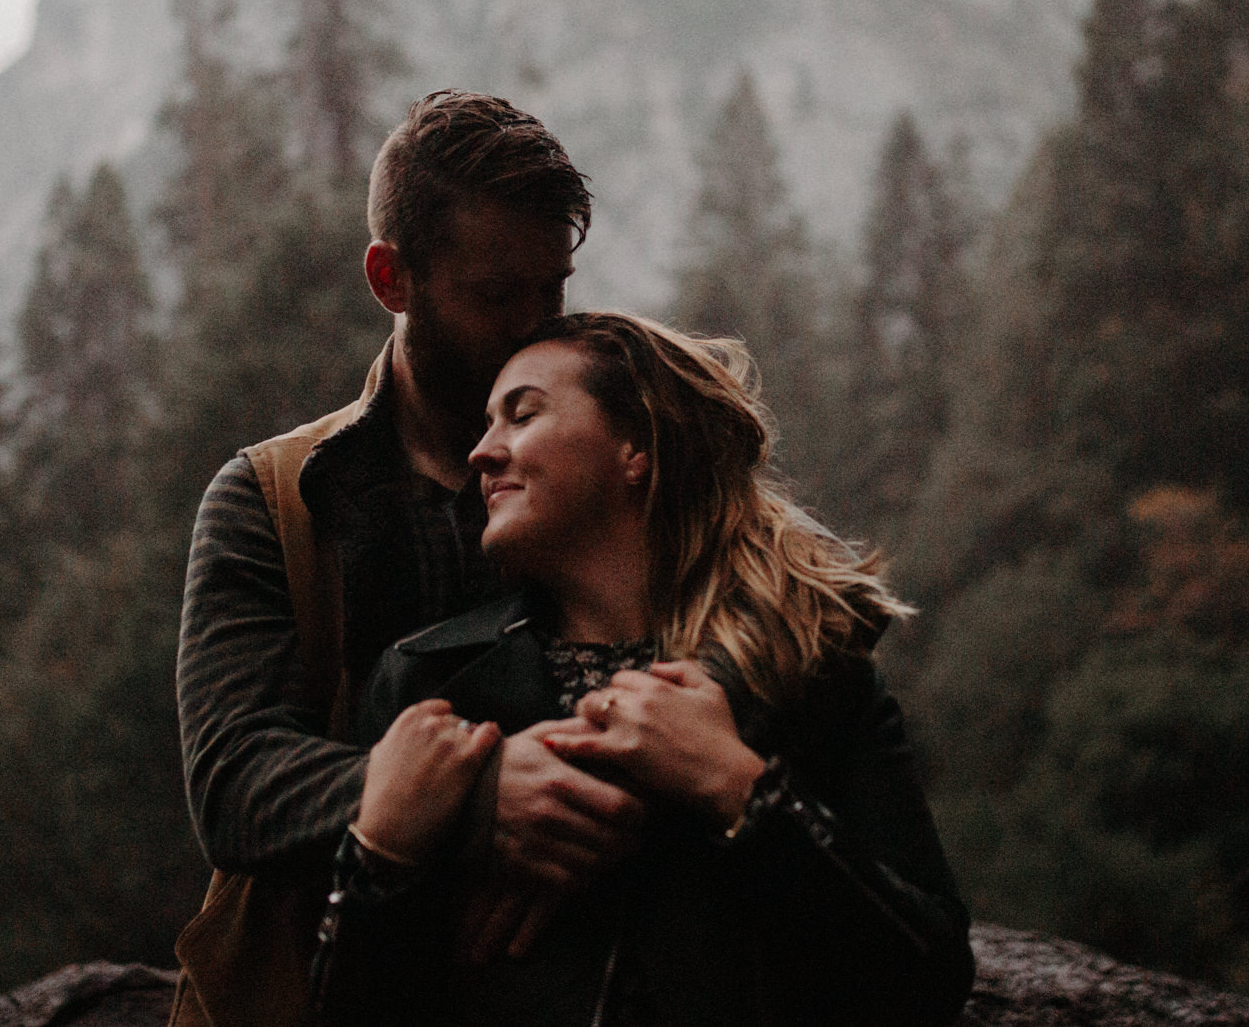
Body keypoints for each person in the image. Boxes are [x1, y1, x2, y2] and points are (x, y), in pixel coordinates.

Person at [312, 311, 976, 1026]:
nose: (481, 452)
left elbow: (928, 978)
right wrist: (377, 855)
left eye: (522, 415)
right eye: (485, 423)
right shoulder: (424, 686)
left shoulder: (808, 674)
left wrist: (739, 790)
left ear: (638, 447)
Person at [174, 91, 643, 1021]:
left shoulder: (611, 466)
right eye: (495, 295)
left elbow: (732, 645)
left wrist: (580, 823)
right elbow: (237, 781)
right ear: (391, 279)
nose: (537, 325)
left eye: (552, 289)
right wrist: (483, 805)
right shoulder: (274, 498)